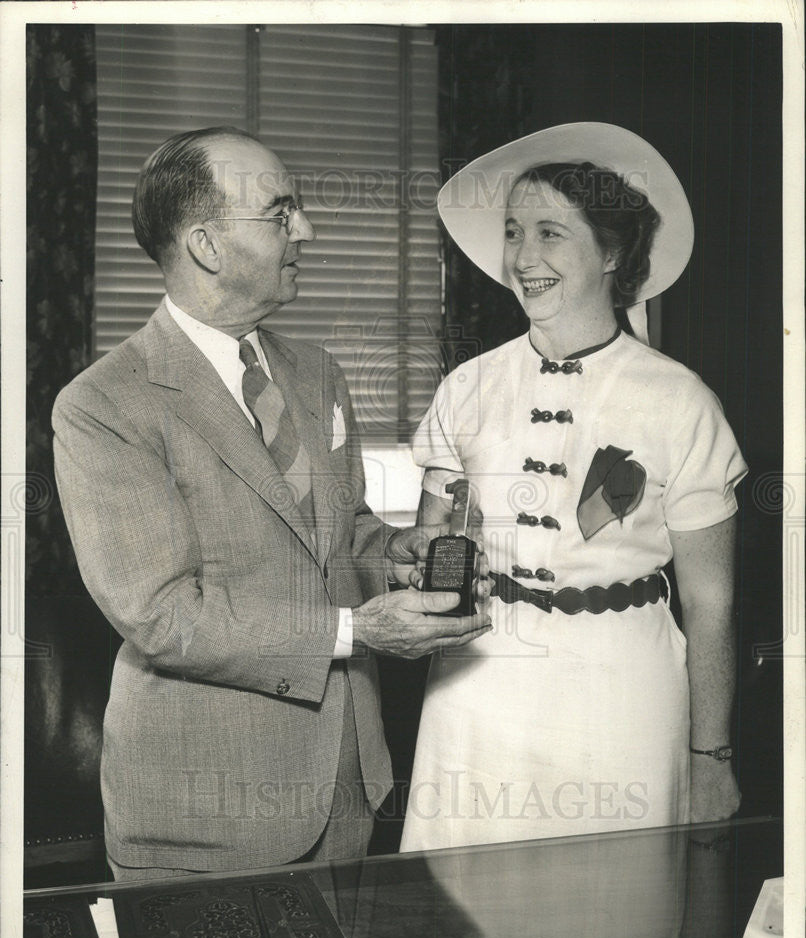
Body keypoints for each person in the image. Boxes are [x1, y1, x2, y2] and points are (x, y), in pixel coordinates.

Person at [52, 126, 491, 880]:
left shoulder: (317, 373)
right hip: (202, 821)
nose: (307, 230)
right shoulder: (103, 405)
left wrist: (394, 556)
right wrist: (360, 629)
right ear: (206, 245)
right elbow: (163, 614)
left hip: (348, 792)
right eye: (280, 212)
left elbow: (337, 534)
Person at [400, 122, 747, 851]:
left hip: (620, 697)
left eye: (551, 233)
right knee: (461, 917)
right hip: (477, 692)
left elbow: (711, 602)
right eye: (514, 232)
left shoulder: (680, 401)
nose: (524, 258)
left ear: (612, 252)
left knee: (613, 917)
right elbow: (431, 548)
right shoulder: (468, 386)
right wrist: (416, 556)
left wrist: (710, 756)